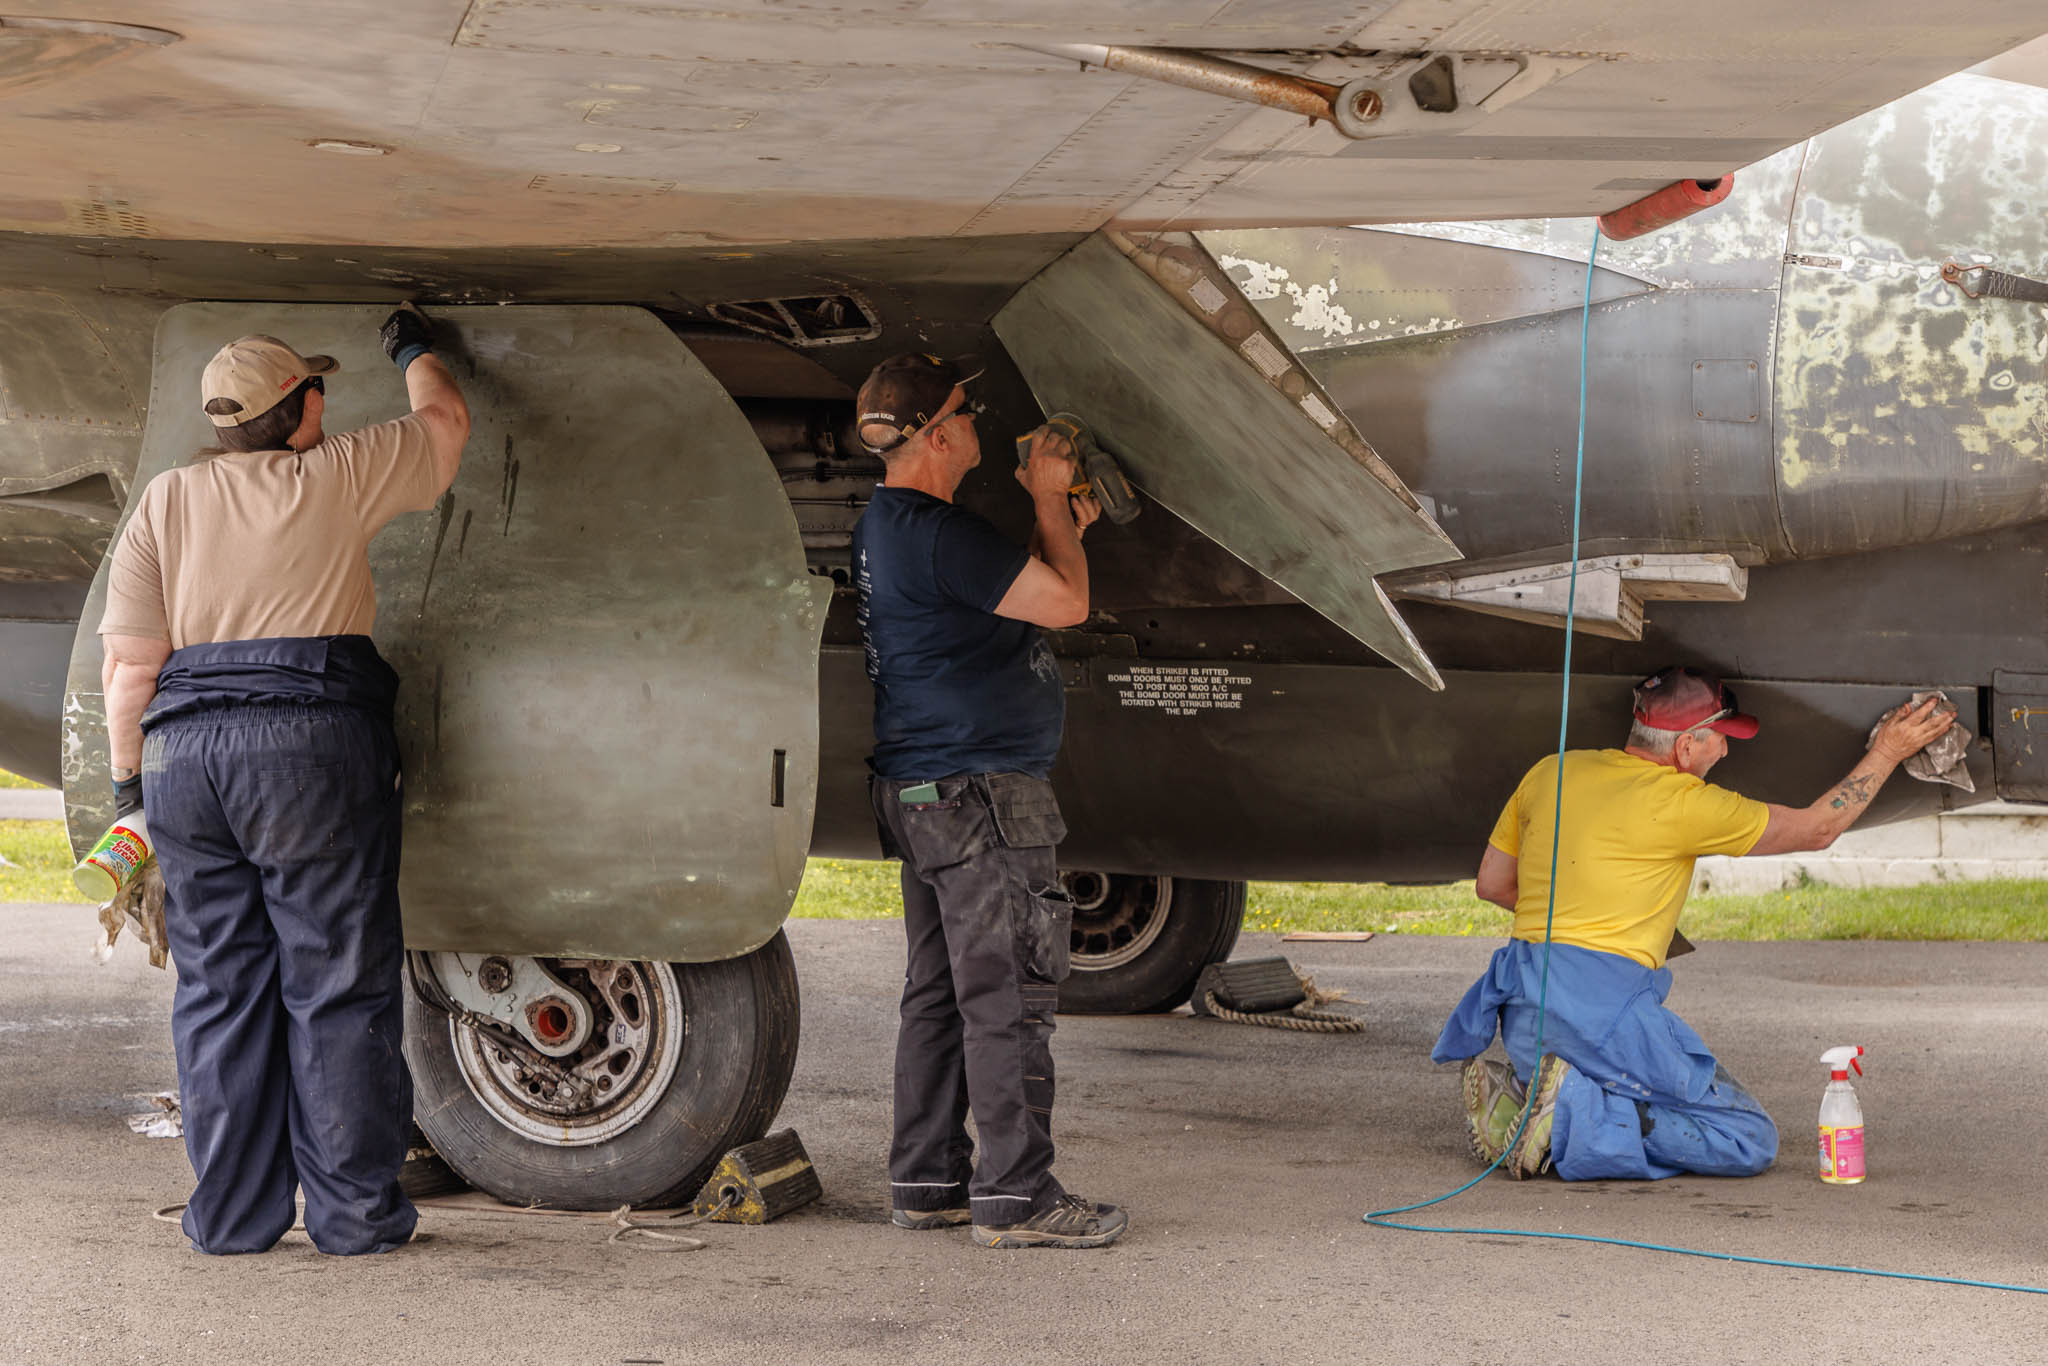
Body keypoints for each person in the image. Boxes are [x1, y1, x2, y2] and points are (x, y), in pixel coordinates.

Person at [97, 307, 468, 1254]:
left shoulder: (165, 500)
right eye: (318, 389)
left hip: (183, 757)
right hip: (307, 745)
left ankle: (230, 1219)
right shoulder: (333, 475)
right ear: (301, 408)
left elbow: (131, 668)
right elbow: (445, 427)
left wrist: (129, 796)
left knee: (217, 990)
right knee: (335, 982)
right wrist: (416, 351)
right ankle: (354, 1216)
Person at [1436, 665, 1954, 1182]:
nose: (1725, 752)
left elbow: (1493, 884)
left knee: (1635, 1094)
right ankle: (1565, 1113)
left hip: (1522, 1009)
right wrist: (1888, 750)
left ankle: (1530, 1102)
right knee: (1746, 1138)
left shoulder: (1549, 772)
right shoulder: (1684, 802)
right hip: (1602, 1015)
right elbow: (1818, 828)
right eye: (1720, 740)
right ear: (1684, 748)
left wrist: (1591, 910)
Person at [851, 352, 1123, 1249]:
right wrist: (1049, 502)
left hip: (922, 792)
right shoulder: (942, 535)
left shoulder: (889, 524)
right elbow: (1069, 604)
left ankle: (926, 1180)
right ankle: (1015, 1197)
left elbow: (1021, 595)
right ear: (938, 434)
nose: (976, 421)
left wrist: (1056, 523)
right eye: (966, 412)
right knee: (1007, 993)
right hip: (979, 798)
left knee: (939, 990)